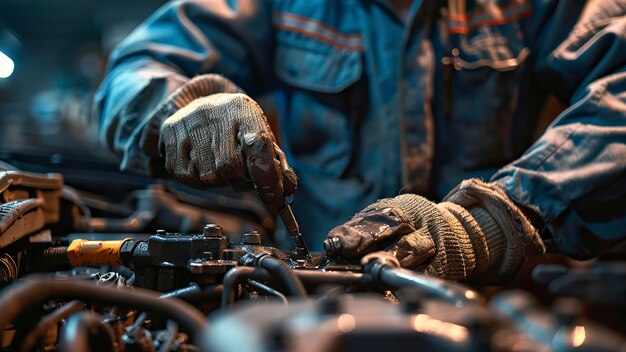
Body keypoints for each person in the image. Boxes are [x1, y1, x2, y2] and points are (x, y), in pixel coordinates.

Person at [95, 0, 626, 282]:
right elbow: (135, 68)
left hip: (484, 292)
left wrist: (493, 222)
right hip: (310, 295)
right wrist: (183, 112)